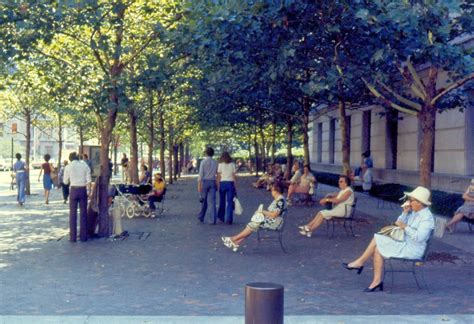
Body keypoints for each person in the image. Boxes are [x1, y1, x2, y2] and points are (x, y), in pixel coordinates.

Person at [342, 186, 434, 292]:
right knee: (377, 249)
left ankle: (360, 262)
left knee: (377, 238)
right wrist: (404, 213)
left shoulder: (426, 218)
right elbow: (398, 223)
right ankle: (376, 281)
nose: (409, 202)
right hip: (405, 243)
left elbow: (420, 238)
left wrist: (405, 227)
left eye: (411, 200)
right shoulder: (415, 212)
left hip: (413, 249)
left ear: (419, 202)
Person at [221, 182, 287, 252]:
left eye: (272, 190)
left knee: (252, 224)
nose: (271, 192)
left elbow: (274, 215)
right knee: (253, 225)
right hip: (272, 220)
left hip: (274, 223)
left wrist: (262, 211)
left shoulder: (280, 201)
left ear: (276, 191)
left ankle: (233, 239)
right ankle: (237, 242)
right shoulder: (279, 199)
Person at [64, 152, 92, 242]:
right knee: (83, 214)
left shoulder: (68, 167)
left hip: (73, 190)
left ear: (70, 159)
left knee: (72, 214)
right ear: (78, 158)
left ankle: (73, 237)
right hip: (83, 189)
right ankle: (83, 237)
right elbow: (89, 181)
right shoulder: (84, 165)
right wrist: (89, 191)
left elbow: (65, 181)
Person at [197, 147, 218, 224]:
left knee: (203, 200)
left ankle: (201, 216)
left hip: (205, 182)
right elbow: (217, 173)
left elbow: (201, 174)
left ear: (206, 153)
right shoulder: (216, 162)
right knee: (212, 201)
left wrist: (199, 184)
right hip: (213, 181)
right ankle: (213, 220)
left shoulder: (203, 162)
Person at [217, 152, 237, 224]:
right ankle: (229, 219)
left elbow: (219, 176)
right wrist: (235, 185)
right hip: (230, 183)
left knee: (222, 201)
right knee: (230, 202)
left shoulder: (220, 165)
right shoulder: (232, 164)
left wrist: (217, 184)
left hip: (223, 183)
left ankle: (221, 217)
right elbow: (234, 176)